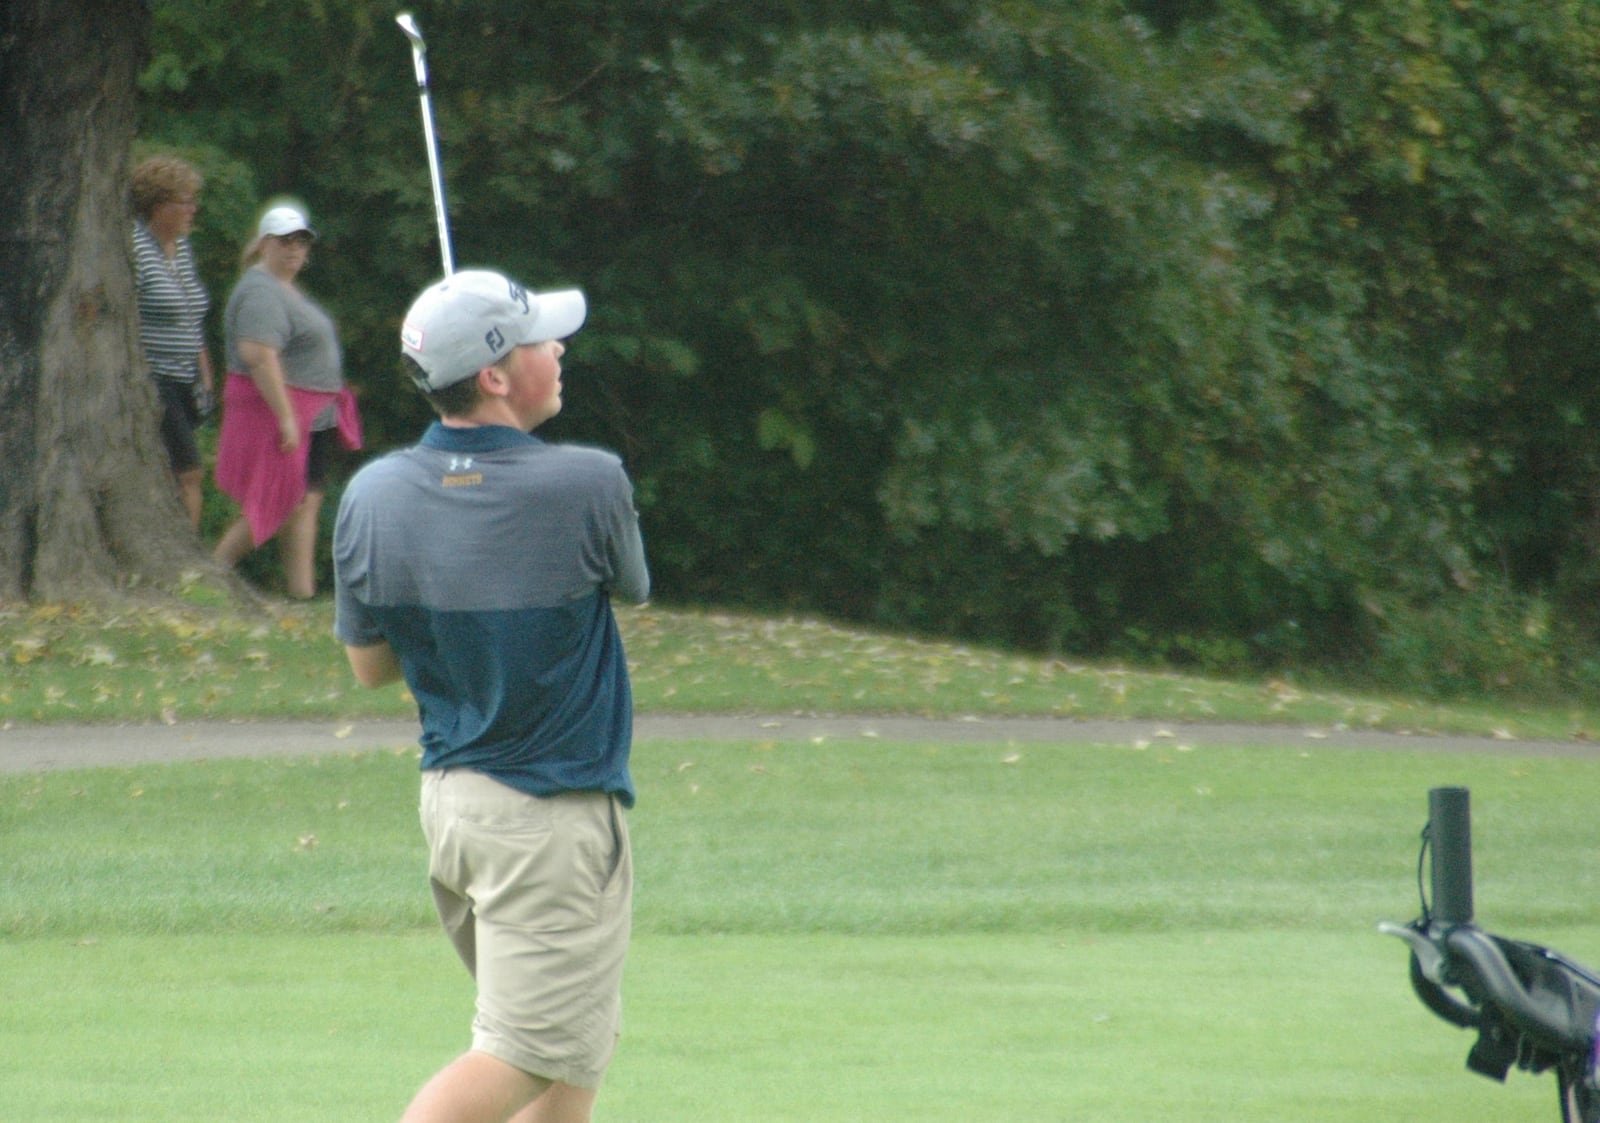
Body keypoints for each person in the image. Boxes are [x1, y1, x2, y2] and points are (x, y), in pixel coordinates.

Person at [332, 269, 650, 1123]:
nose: (560, 347)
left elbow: (370, 666)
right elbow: (633, 585)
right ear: (498, 376)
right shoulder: (589, 481)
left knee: (572, 1051)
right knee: (519, 1056)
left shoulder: (371, 495)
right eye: (543, 337)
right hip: (549, 815)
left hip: (455, 811)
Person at [213, 204, 361, 598]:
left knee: (304, 501)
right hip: (278, 411)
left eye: (301, 242)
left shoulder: (286, 288)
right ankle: (211, 572)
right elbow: (258, 354)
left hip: (315, 411)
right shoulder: (259, 290)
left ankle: (301, 593)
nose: (294, 250)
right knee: (275, 498)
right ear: (264, 245)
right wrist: (286, 416)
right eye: (285, 241)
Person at [130, 154, 215, 529]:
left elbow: (190, 315)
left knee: (168, 472)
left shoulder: (181, 251)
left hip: (186, 379)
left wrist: (205, 372)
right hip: (155, 377)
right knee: (189, 472)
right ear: (158, 204)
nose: (191, 210)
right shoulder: (134, 248)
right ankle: (190, 559)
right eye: (183, 201)